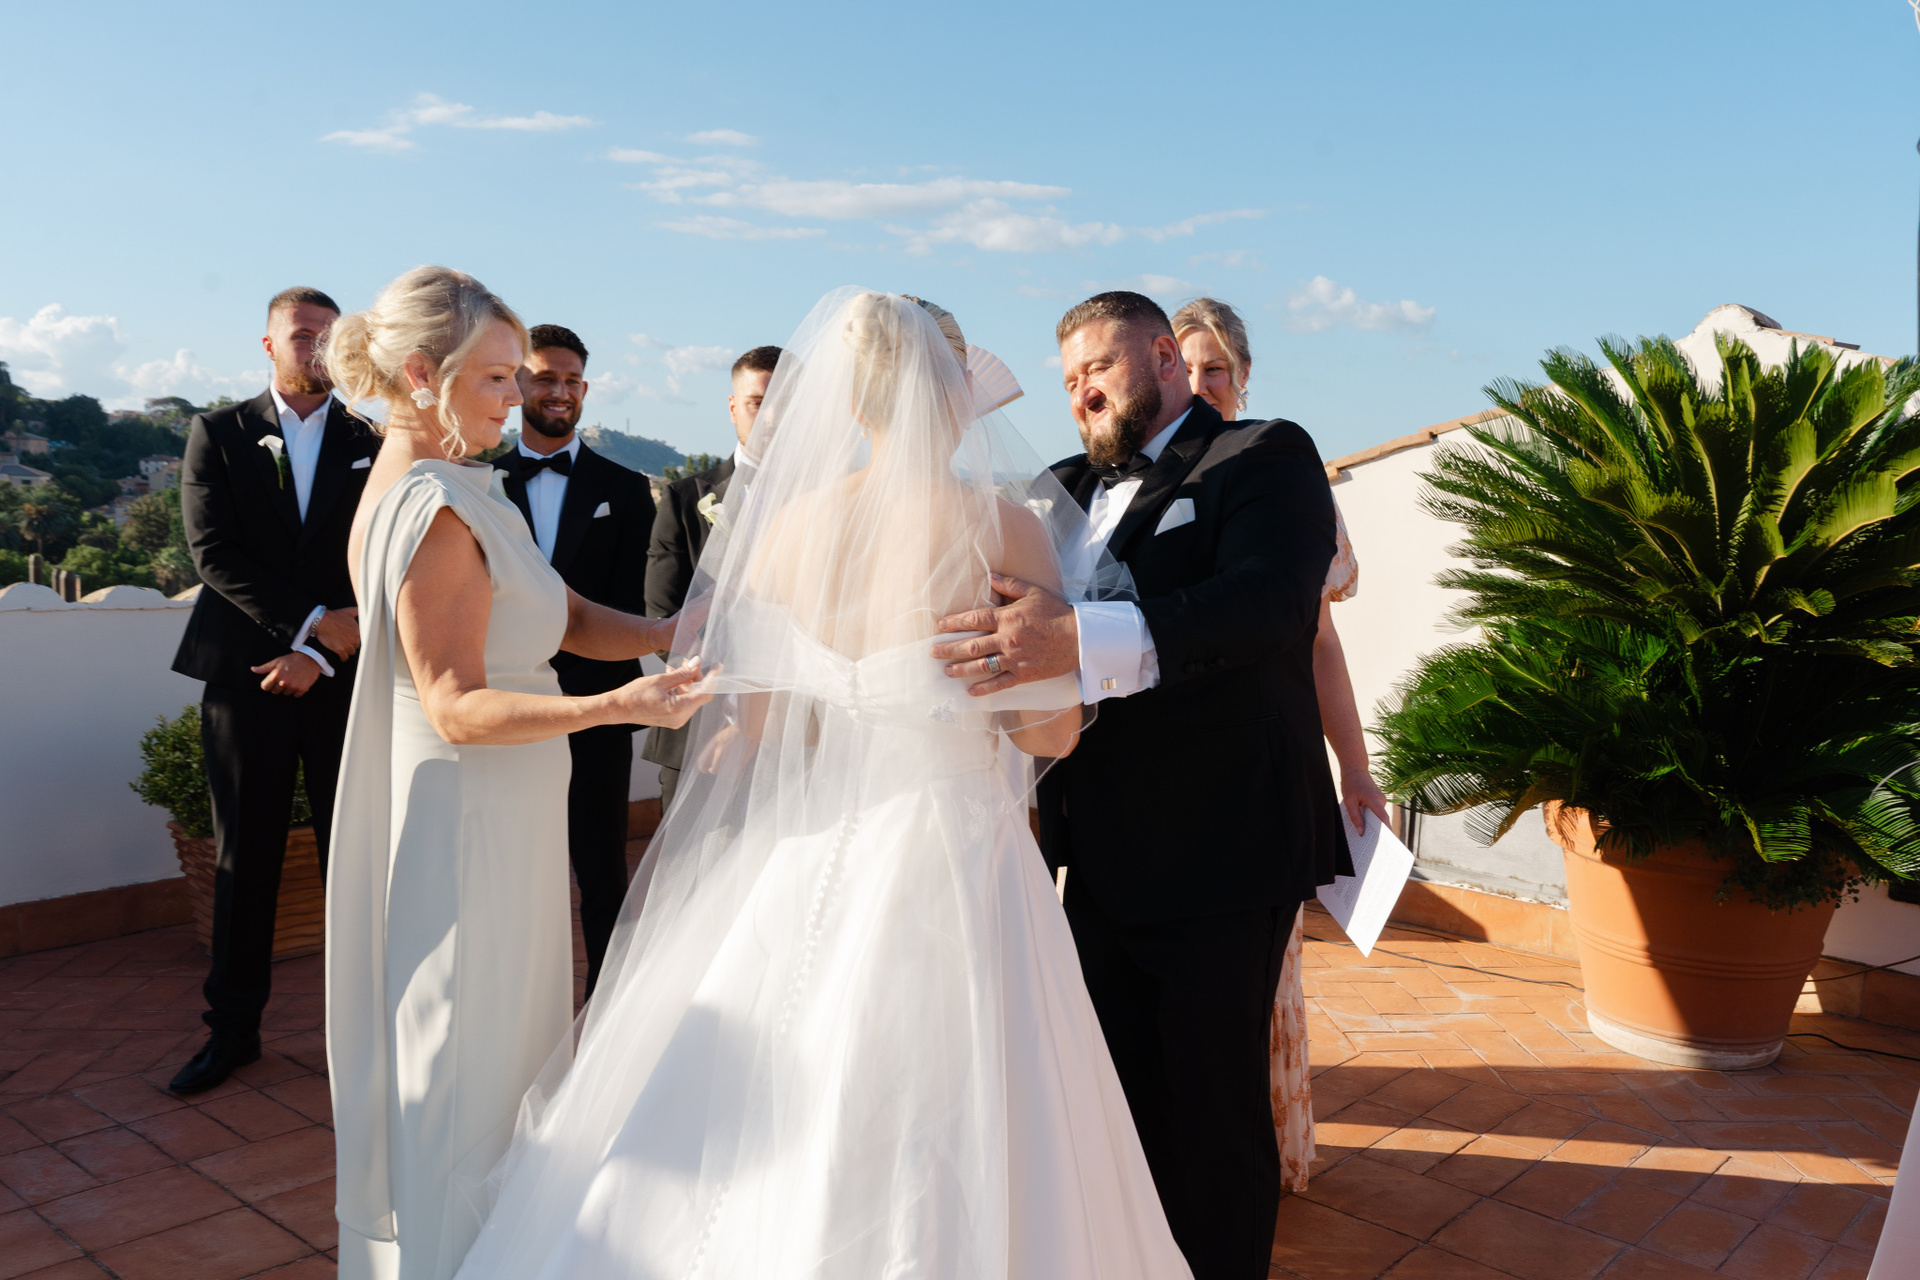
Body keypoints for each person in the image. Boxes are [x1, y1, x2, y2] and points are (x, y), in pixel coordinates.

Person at [454, 290, 1193, 1280]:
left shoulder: (788, 527)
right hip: (954, 848)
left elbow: (762, 722)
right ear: (954, 390)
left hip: (809, 844)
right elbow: (1051, 729)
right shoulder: (1003, 528)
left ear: (850, 403)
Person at [932, 291, 1351, 1280]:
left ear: (1165, 357)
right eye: (1068, 380)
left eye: (1099, 369)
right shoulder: (1057, 487)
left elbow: (1268, 603)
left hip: (1222, 845)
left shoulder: (1262, 453)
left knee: (1210, 1113)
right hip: (1094, 851)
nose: (1081, 392)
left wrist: (1077, 636)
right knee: (1115, 1099)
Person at [322, 267, 710, 1280]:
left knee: (509, 1054)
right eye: (496, 377)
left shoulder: (461, 486)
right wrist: (615, 706)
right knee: (470, 1066)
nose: (516, 394)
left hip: (508, 814)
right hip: (469, 828)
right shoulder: (430, 509)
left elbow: (562, 612)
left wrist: (669, 632)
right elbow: (454, 703)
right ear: (422, 375)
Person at [1172, 296, 1392, 1193]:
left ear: (1245, 376)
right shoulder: (1144, 485)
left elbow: (1320, 644)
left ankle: (1259, 1161)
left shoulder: (1287, 480)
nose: (1200, 384)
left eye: (1215, 368)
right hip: (1169, 776)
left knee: (1262, 985)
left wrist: (1356, 766)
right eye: (1184, 367)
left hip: (1261, 773)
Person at [167, 286, 378, 1095]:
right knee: (242, 860)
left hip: (340, 678)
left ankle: (359, 1035)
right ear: (268, 344)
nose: (315, 346)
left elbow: (377, 558)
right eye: (301, 334)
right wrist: (308, 628)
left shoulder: (371, 440)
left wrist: (321, 653)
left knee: (348, 858)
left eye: (328, 335)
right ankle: (232, 1033)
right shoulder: (218, 432)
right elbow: (213, 552)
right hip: (243, 676)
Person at [493, 324, 656, 998]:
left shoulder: (627, 489)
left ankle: (606, 1007)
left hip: (597, 707)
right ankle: (515, 1003)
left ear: (584, 389)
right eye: (545, 378)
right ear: (518, 383)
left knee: (601, 871)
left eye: (572, 381)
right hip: (505, 706)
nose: (560, 391)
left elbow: (626, 602)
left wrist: (577, 693)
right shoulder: (480, 483)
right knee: (507, 868)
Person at [642, 343, 780, 815]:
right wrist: (729, 699)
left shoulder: (834, 501)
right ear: (733, 406)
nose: (772, 418)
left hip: (796, 734)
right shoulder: (684, 499)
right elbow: (665, 617)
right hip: (700, 722)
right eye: (758, 403)